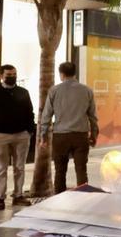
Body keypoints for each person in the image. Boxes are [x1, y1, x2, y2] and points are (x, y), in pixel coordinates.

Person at [40, 62, 99, 194]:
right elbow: (93, 116)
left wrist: (43, 137)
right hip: (80, 135)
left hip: (60, 136)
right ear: (75, 73)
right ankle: (83, 198)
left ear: (61, 74)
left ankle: (60, 199)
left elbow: (46, 116)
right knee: (81, 169)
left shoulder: (54, 91)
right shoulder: (86, 90)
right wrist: (94, 135)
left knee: (60, 171)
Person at [0, 64, 35, 210]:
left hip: (21, 135)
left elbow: (29, 111)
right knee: (1, 168)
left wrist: (29, 130)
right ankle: (0, 197)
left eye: (14, 74)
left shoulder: (23, 92)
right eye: (8, 75)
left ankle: (18, 195)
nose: (12, 77)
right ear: (1, 76)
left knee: (20, 167)